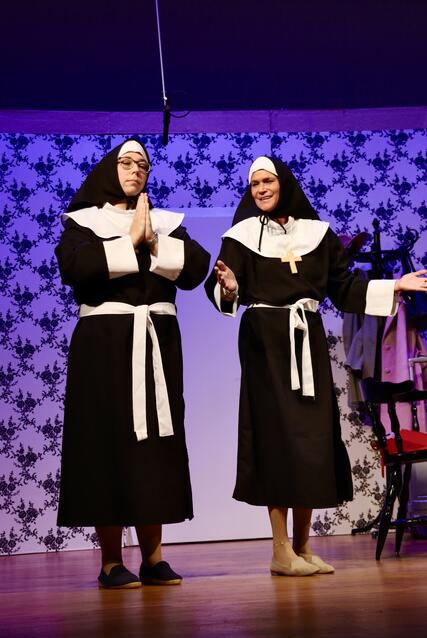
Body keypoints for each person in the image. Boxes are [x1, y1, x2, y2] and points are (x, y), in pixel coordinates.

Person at [205, 156, 427, 577]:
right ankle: (280, 549)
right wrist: (230, 288)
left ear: (283, 183)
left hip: (306, 338)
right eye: (254, 184)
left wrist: (395, 285)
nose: (261, 189)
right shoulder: (240, 236)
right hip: (265, 343)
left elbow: (343, 288)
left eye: (267, 181)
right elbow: (220, 289)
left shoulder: (316, 234)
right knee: (275, 441)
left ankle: (303, 547)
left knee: (309, 439)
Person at [55, 139, 210, 588]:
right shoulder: (84, 221)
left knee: (154, 445)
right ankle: (110, 562)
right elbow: (74, 267)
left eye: (142, 164)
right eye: (126, 162)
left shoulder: (163, 222)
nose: (135, 169)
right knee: (106, 445)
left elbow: (196, 268)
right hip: (103, 346)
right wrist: (129, 241)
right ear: (110, 169)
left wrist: (153, 239)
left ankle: (153, 558)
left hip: (156, 344)